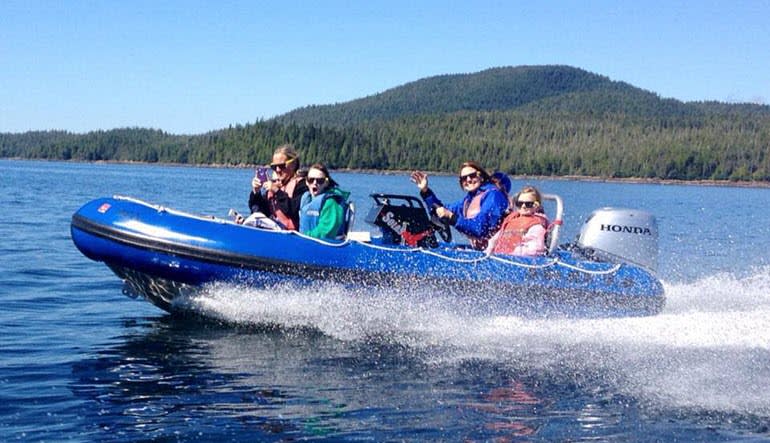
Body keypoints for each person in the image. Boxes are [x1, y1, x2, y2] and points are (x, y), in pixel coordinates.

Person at [410, 161, 509, 250]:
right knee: (453, 249)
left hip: (494, 254)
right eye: (464, 178)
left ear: (481, 176)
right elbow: (441, 210)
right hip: (479, 251)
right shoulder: (468, 201)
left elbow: (480, 229)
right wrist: (426, 191)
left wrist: (452, 218)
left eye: (472, 175)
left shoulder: (493, 196)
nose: (469, 180)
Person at [240, 144, 308, 230]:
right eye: (274, 167)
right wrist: (256, 192)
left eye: (282, 166)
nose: (278, 170)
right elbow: (259, 209)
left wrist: (277, 191)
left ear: (293, 164)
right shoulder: (275, 185)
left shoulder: (303, 185)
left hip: (292, 235)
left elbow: (293, 210)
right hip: (274, 231)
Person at [490, 186, 549, 256]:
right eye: (520, 204)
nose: (523, 206)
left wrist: (514, 254)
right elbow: (494, 240)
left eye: (528, 204)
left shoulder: (537, 226)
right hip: (500, 258)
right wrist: (489, 252)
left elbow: (535, 249)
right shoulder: (511, 220)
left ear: (536, 206)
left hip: (518, 260)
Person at [299, 163, 351, 239]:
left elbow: (326, 232)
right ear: (306, 182)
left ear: (326, 183)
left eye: (320, 181)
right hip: (305, 242)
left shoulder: (332, 202)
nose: (315, 183)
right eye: (311, 180)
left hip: (324, 245)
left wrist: (303, 237)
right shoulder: (307, 199)